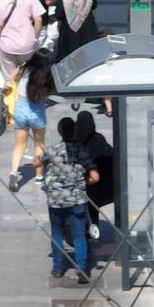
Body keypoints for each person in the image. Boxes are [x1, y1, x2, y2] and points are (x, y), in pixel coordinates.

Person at [35, 117, 98, 283]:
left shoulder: (52, 150)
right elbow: (95, 177)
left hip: (56, 200)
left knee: (57, 233)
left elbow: (36, 163)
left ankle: (58, 268)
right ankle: (82, 268)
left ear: (59, 131)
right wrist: (83, 183)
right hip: (77, 200)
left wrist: (44, 161)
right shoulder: (83, 150)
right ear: (74, 130)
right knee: (79, 235)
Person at [8, 49, 54, 192]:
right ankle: (39, 176)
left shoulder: (23, 68)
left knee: (19, 145)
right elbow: (46, 95)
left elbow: (11, 79)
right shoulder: (46, 76)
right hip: (37, 111)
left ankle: (14, 172)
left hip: (21, 109)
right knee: (39, 145)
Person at [74, 111, 115, 241]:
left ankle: (88, 231)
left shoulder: (77, 141)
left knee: (88, 204)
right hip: (111, 184)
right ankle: (93, 229)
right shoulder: (99, 138)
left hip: (92, 184)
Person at [55, 0, 99, 64]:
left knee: (69, 57)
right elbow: (94, 5)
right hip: (88, 27)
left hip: (69, 29)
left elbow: (59, 13)